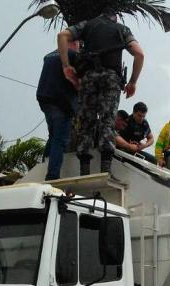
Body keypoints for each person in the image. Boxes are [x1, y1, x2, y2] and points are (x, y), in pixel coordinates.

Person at [58, 8, 145, 176]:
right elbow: (139, 54)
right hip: (111, 79)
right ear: (115, 17)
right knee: (107, 121)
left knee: (86, 123)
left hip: (88, 78)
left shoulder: (87, 26)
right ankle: (105, 170)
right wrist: (133, 82)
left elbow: (62, 36)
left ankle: (84, 170)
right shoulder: (121, 29)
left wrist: (66, 66)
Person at [36, 41, 79, 180]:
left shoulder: (49, 56)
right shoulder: (72, 55)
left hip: (45, 99)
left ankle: (44, 166)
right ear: (73, 43)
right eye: (78, 44)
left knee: (53, 135)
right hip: (61, 102)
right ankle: (52, 175)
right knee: (60, 140)